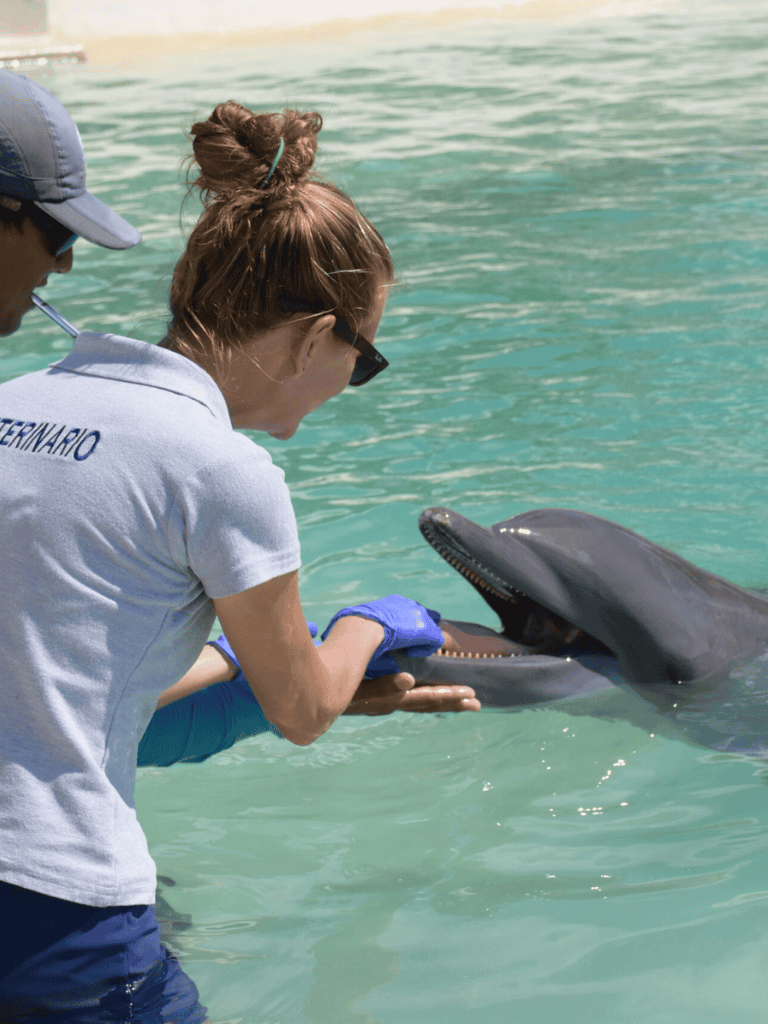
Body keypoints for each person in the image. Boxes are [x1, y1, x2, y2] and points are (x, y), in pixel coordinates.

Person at [0, 78, 471, 1021]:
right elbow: (303, 709)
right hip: (60, 909)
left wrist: (233, 680)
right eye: (364, 358)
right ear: (310, 339)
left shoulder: (18, 400)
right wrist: (365, 632)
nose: (354, 380)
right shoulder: (225, 468)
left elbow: (59, 667)